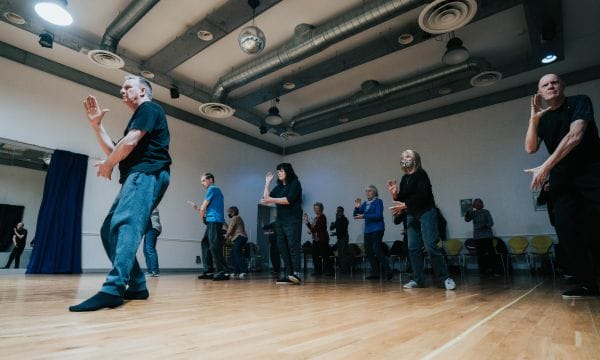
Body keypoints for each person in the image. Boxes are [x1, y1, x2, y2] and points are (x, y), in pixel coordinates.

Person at [70, 75, 171, 311]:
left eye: (127, 87)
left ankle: (113, 289)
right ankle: (137, 285)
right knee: (108, 230)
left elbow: (129, 142)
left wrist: (108, 164)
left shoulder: (149, 108)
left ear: (143, 91)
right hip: (137, 175)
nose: (122, 90)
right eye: (121, 87)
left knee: (126, 224)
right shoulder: (139, 117)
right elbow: (116, 148)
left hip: (147, 173)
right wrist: (96, 125)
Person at [525, 73, 600, 298]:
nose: (551, 86)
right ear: (540, 93)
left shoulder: (579, 102)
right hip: (563, 180)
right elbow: (530, 148)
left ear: (563, 86)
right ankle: (588, 283)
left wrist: (545, 166)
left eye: (555, 82)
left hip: (591, 173)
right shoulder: (543, 117)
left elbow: (575, 136)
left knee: (595, 227)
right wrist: (533, 118)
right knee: (566, 230)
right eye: (545, 84)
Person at [388, 149, 455, 290]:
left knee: (431, 246)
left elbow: (423, 195)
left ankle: (445, 278)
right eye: (402, 157)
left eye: (407, 156)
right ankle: (418, 279)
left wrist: (405, 205)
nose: (404, 158)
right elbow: (403, 198)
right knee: (413, 248)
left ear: (415, 159)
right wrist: (395, 194)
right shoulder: (404, 178)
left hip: (426, 212)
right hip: (412, 214)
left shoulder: (421, 174)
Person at [261, 163, 303, 285]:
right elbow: (265, 198)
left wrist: (271, 200)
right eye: (278, 171)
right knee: (282, 247)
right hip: (280, 221)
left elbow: (288, 200)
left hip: (293, 220)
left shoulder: (295, 183)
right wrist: (267, 182)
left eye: (281, 171)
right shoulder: (279, 187)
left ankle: (296, 274)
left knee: (293, 246)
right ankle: (289, 274)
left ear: (288, 172)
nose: (279, 173)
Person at [193, 173, 229, 281]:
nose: (202, 183)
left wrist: (201, 216)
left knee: (214, 245)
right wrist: (199, 210)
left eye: (204, 180)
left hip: (214, 220)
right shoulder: (214, 191)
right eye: (201, 181)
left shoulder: (212, 188)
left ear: (211, 180)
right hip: (212, 220)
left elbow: (204, 207)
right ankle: (209, 271)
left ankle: (222, 271)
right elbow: (206, 209)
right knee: (206, 243)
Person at [353, 185, 392, 280]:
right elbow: (355, 215)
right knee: (369, 251)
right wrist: (357, 208)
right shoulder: (365, 204)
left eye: (369, 191)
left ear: (375, 192)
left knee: (377, 249)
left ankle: (388, 271)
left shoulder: (378, 202)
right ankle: (375, 273)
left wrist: (364, 216)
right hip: (368, 230)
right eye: (366, 191)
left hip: (378, 228)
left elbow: (378, 216)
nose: (367, 193)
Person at [464, 198, 499, 276]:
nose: (477, 205)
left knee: (491, 254)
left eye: (479, 203)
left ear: (481, 204)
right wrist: (469, 211)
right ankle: (483, 272)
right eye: (476, 204)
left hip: (487, 236)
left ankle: (495, 271)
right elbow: (467, 219)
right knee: (480, 255)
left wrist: (484, 226)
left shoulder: (486, 212)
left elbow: (491, 223)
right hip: (478, 237)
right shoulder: (473, 213)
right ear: (474, 205)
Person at [304, 202, 332, 276]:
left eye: (317, 208)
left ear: (321, 209)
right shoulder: (316, 218)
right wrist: (307, 222)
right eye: (315, 209)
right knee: (315, 255)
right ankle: (318, 271)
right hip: (316, 239)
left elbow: (315, 228)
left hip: (322, 239)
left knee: (325, 255)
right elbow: (313, 228)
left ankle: (328, 271)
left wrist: (310, 228)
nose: (316, 210)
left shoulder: (322, 217)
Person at [225, 206, 248, 278]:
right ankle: (236, 271)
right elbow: (229, 228)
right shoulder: (235, 219)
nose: (228, 213)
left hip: (240, 237)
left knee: (237, 254)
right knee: (233, 254)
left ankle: (244, 271)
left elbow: (229, 230)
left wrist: (226, 236)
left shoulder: (235, 218)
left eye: (229, 212)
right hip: (239, 238)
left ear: (233, 212)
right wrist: (223, 222)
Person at [330, 206, 350, 273]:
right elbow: (331, 228)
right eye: (337, 211)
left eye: (339, 211)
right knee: (340, 254)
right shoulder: (337, 219)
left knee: (344, 253)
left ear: (342, 212)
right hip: (339, 238)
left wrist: (335, 233)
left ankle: (345, 269)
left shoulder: (345, 220)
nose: (337, 212)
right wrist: (332, 224)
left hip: (344, 238)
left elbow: (343, 230)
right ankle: (342, 268)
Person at [143, 208, 162, 277]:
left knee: (150, 249)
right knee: (145, 250)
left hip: (153, 228)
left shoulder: (151, 204)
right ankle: (150, 271)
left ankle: (155, 271)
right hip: (149, 230)